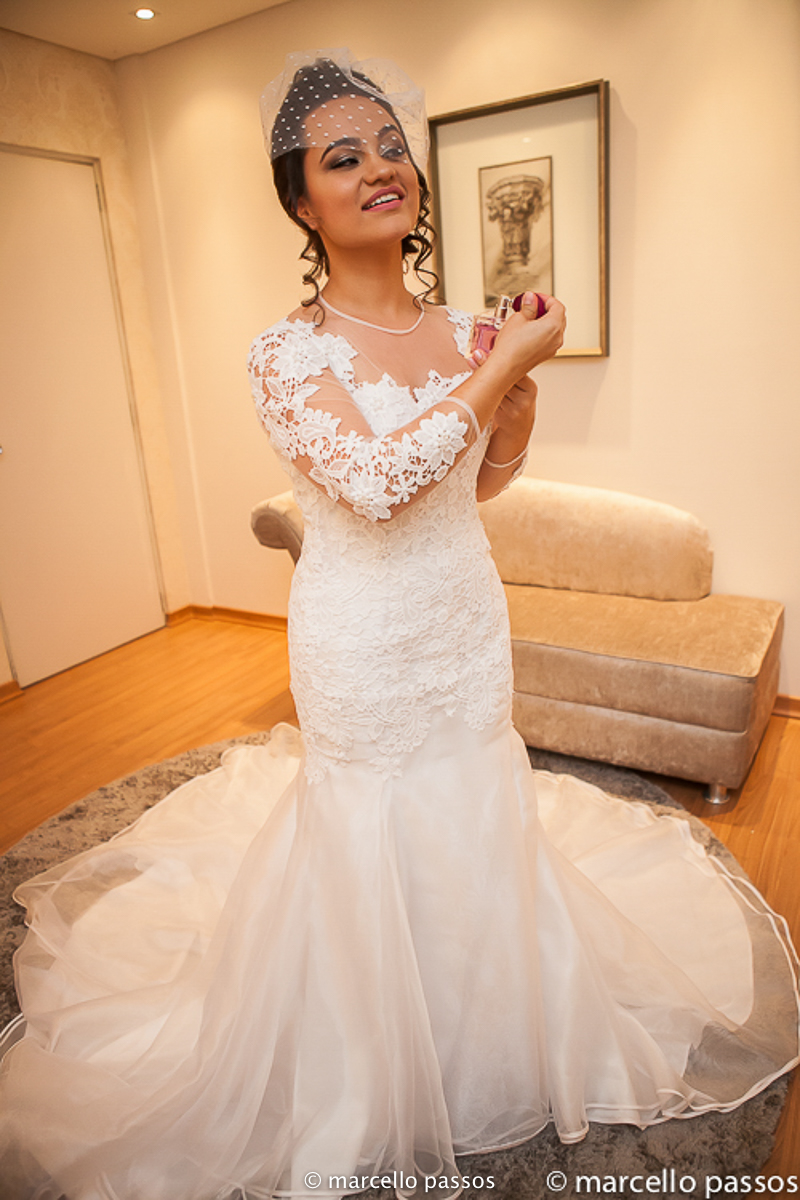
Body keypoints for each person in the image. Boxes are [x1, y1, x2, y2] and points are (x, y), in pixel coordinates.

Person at [0, 48, 798, 1200]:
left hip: (461, 615)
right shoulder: (285, 353)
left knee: (473, 800)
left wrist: (515, 399)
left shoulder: (464, 332)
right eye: (342, 157)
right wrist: (503, 366)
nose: (379, 168)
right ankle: (365, 1052)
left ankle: (483, 1019)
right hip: (360, 636)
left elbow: (478, 485)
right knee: (369, 820)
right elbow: (374, 486)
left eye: (390, 148)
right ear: (299, 201)